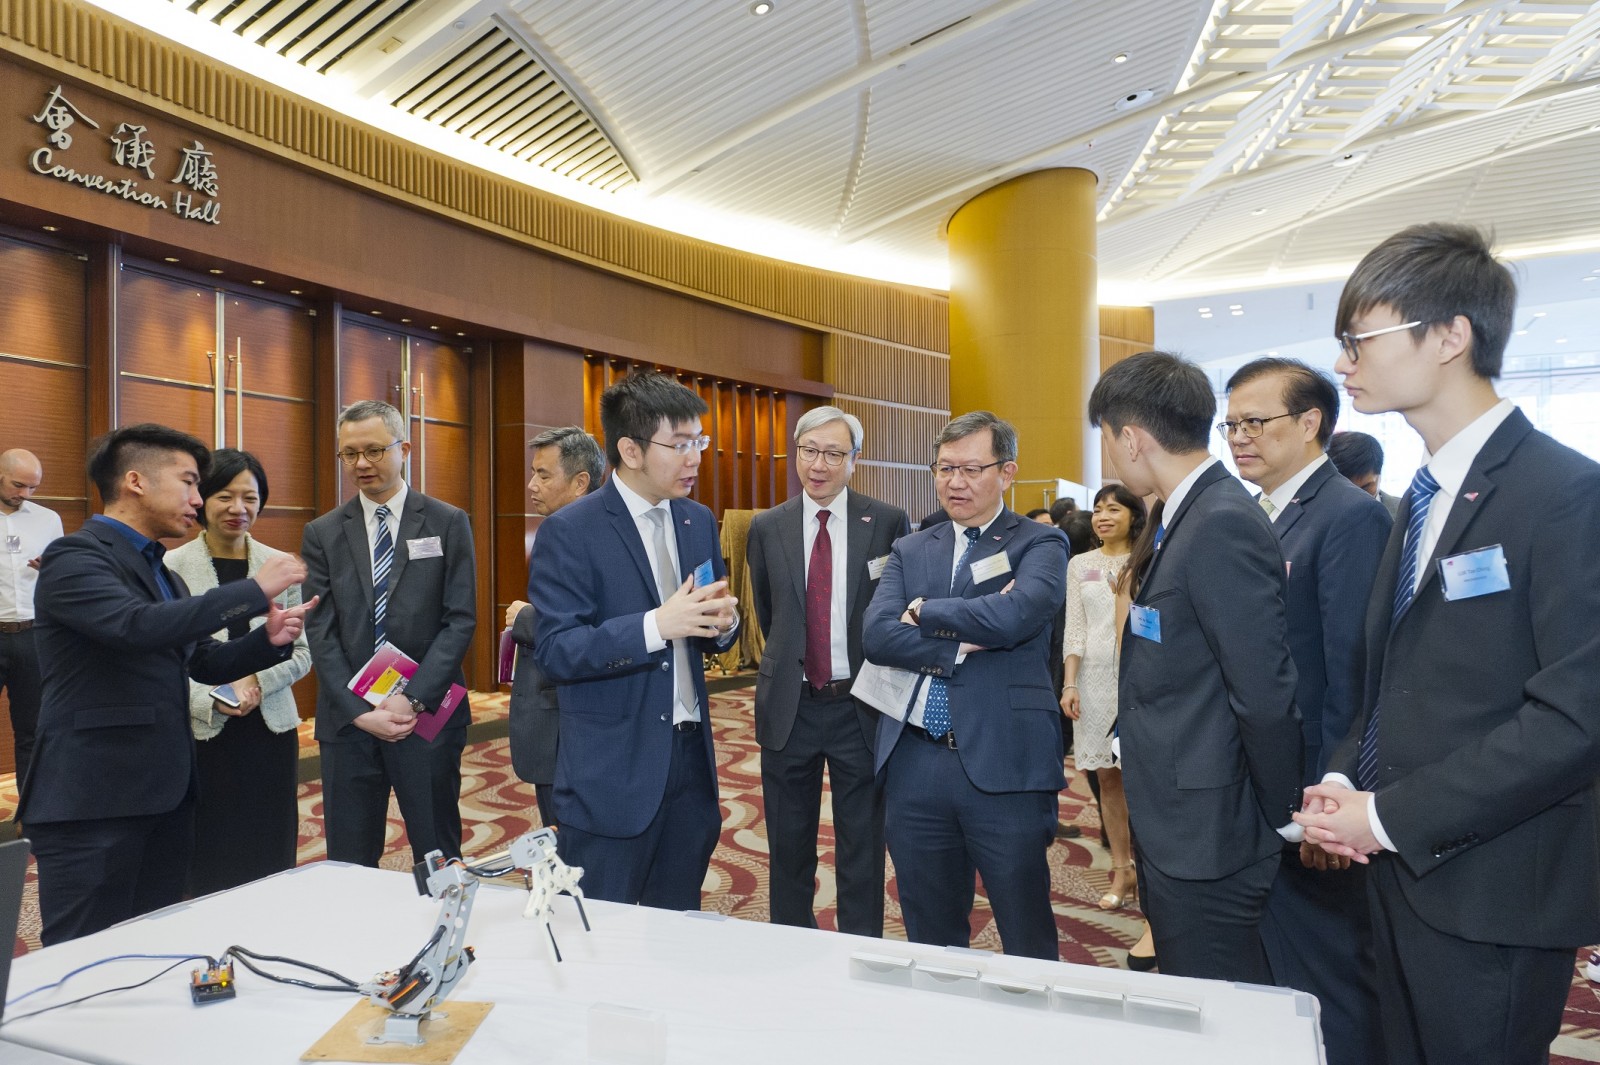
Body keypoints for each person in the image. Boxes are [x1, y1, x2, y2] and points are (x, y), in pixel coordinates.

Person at [1297, 223, 1600, 1065]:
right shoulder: (1423, 495)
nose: (1345, 363)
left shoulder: (1568, 493)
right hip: (1400, 874)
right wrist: (1342, 777)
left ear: (1450, 336)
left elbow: (1575, 719)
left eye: (1360, 338)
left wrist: (1388, 814)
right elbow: (1391, 677)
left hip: (1497, 885)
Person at [19, 424, 312, 944]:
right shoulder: (75, 558)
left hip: (165, 795)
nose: (198, 500)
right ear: (135, 481)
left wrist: (267, 641)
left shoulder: (161, 572)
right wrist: (253, 589)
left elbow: (202, 659)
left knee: (151, 947)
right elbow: (135, 628)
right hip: (95, 800)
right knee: (83, 959)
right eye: (189, 484)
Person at [1087, 351, 1304, 983]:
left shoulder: (1219, 522)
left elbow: (1263, 691)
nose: (1106, 456)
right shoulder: (1181, 512)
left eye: (1105, 438)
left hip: (1212, 831)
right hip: (1178, 815)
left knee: (1218, 1003)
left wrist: (1279, 816)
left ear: (1131, 438)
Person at [1223, 358, 1391, 1065]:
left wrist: (1330, 797)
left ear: (1311, 422)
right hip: (1264, 795)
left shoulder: (1347, 517)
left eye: (1255, 422)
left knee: (1329, 985)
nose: (1238, 438)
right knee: (1276, 980)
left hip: (1312, 799)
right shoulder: (1263, 512)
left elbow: (1351, 679)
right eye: (1229, 424)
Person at [862, 411, 1069, 960]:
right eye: (945, 468)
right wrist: (958, 641)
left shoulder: (1041, 543)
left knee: (1025, 930)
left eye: (972, 469)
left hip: (1007, 762)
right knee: (930, 935)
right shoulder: (912, 547)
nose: (956, 482)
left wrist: (925, 610)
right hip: (915, 764)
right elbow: (878, 636)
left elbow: (1018, 616)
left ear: (1007, 472)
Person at [531, 372, 740, 908]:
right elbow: (558, 650)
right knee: (603, 935)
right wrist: (655, 627)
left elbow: (705, 630)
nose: (695, 457)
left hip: (690, 762)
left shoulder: (696, 519)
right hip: (613, 770)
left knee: (678, 930)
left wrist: (723, 624)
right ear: (630, 449)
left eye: (700, 442)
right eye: (681, 444)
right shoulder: (572, 530)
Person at [746, 406, 909, 936]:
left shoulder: (885, 521)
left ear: (854, 461)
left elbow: (891, 605)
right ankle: (788, 944)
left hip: (858, 704)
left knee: (862, 844)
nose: (819, 464)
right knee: (786, 844)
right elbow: (771, 612)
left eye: (834, 453)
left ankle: (861, 950)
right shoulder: (766, 526)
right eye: (809, 450)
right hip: (790, 705)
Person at [302, 400, 477, 867]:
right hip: (349, 721)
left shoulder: (446, 521)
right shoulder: (322, 533)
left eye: (375, 450)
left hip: (427, 711)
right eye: (349, 454)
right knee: (349, 858)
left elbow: (459, 618)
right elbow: (320, 629)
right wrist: (360, 709)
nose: (361, 464)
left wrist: (412, 698)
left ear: (405, 449)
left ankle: (444, 940)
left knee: (437, 852)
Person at [166, 449, 312, 896]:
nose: (238, 509)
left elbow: (300, 654)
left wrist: (254, 683)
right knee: (207, 845)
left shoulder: (279, 566)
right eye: (225, 496)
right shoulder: (172, 567)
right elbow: (169, 658)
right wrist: (211, 697)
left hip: (269, 729)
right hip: (202, 730)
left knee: (269, 845)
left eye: (250, 498)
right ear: (202, 500)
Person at [504, 426, 605, 828]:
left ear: (580, 482)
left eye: (544, 475)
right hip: (558, 717)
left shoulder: (585, 532)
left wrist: (525, 619)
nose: (532, 485)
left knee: (571, 846)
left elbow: (596, 625)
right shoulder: (565, 529)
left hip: (572, 722)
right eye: (534, 472)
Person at [1061, 484, 1146, 912]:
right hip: (1092, 682)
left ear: (1134, 515)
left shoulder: (1147, 559)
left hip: (1135, 678)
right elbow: (1073, 627)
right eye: (1097, 509)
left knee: (1143, 780)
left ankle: (1151, 874)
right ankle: (1121, 869)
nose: (1102, 516)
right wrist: (1070, 683)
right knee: (1106, 780)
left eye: (1113, 508)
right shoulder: (1080, 565)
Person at [0, 448, 63, 792]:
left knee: (33, 729)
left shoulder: (48, 519)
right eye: (18, 485)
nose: (24, 495)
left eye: (32, 488)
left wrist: (51, 570)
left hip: (33, 634)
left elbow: (63, 576)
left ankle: (29, 813)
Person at [1327, 430, 1401, 518]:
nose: (1357, 497)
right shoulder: (1316, 517)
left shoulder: (1407, 512)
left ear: (1379, 475)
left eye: (1365, 488)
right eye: (1348, 490)